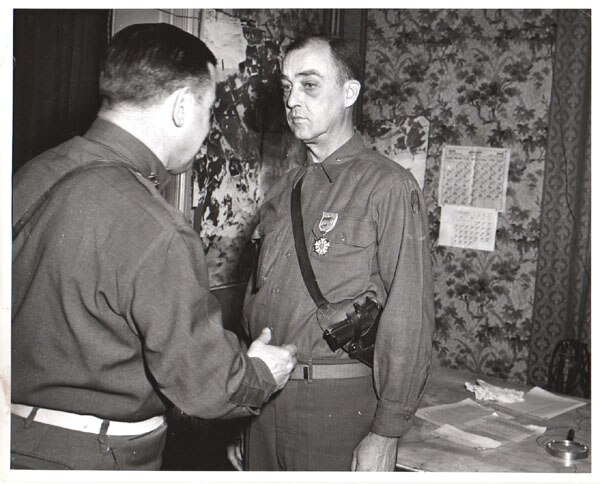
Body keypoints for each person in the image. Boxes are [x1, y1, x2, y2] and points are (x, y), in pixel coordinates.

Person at [11, 23, 297, 471]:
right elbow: (206, 386)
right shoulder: (155, 227)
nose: (206, 130)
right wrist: (262, 372)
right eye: (209, 109)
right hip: (95, 459)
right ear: (183, 106)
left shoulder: (30, 175)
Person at [227, 35, 435, 471]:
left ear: (349, 93)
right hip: (266, 400)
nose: (292, 101)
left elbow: (409, 317)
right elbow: (255, 303)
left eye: (309, 85)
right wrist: (244, 416)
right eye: (286, 87)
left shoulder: (389, 187)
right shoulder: (284, 191)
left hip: (337, 410)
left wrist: (385, 433)